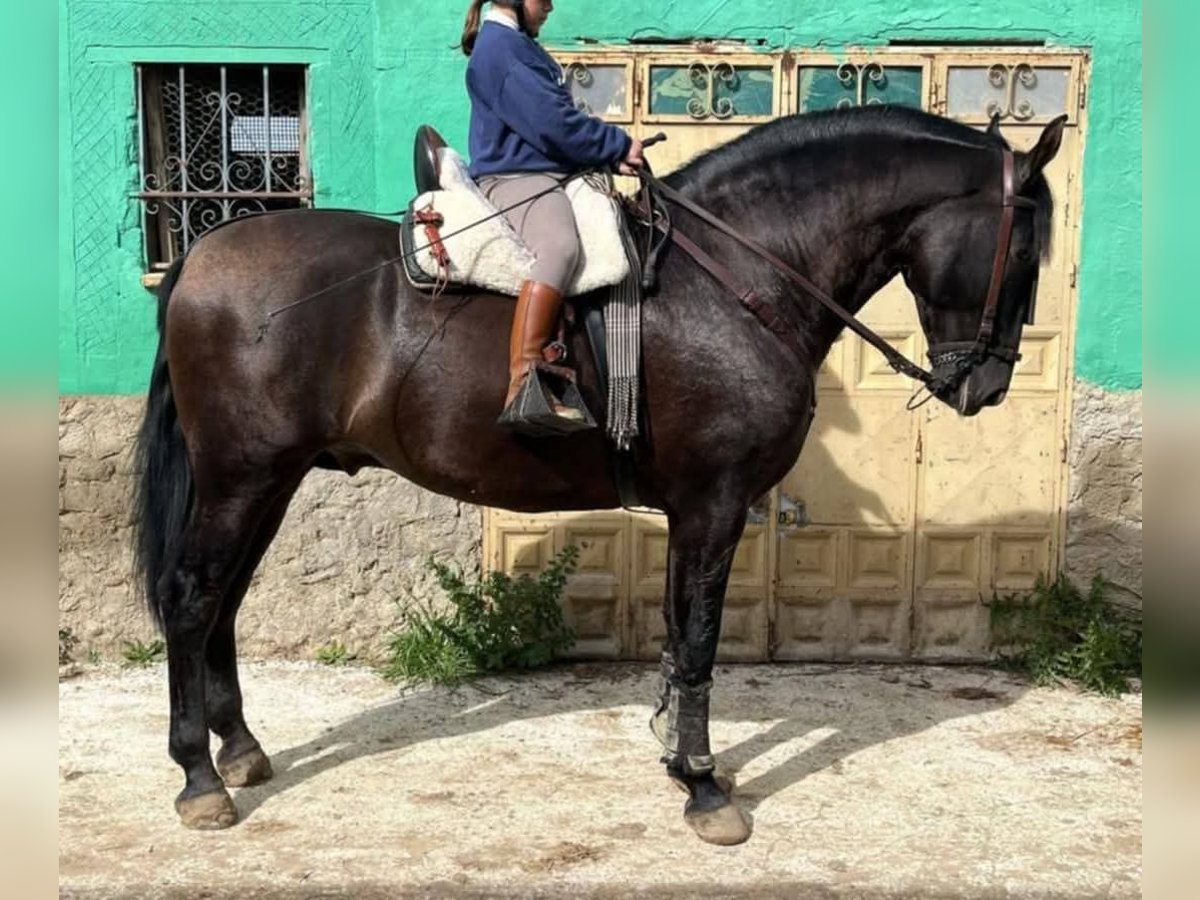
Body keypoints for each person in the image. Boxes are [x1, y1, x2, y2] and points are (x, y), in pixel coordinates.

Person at [461, 0, 644, 424]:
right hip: (516, 179)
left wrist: (610, 158)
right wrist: (615, 145)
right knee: (560, 247)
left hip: (547, 173)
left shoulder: (517, 46)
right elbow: (552, 124)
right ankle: (524, 384)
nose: (550, 6)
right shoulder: (501, 50)